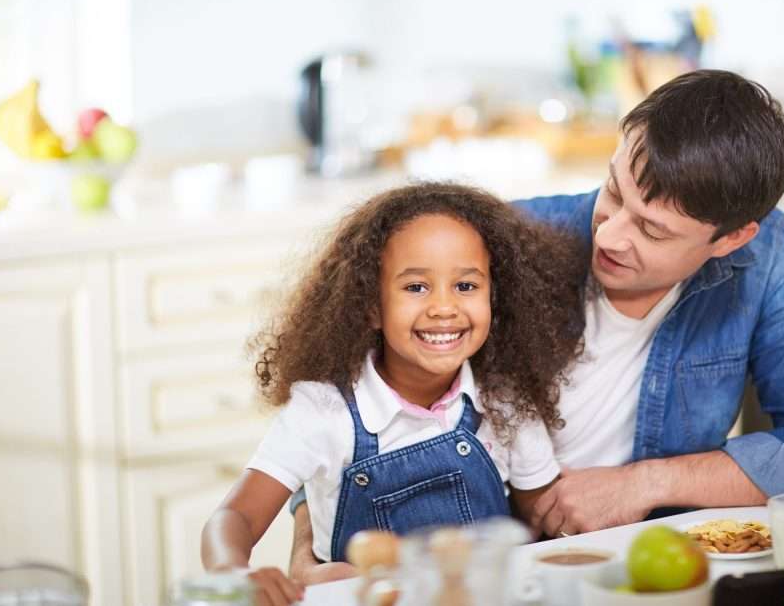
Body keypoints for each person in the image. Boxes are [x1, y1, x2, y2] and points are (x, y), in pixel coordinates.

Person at [288, 69, 784, 578]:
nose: (611, 235)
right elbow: (338, 387)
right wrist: (307, 543)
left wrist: (641, 485)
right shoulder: (510, 244)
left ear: (733, 237)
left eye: (652, 230)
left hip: (647, 564)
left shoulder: (768, 259)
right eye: (614, 193)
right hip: (478, 563)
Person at [202, 183, 586, 605]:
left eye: (466, 286)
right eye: (416, 287)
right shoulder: (323, 410)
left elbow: (539, 522)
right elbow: (234, 516)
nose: (444, 307)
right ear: (370, 306)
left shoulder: (506, 402)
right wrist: (233, 571)